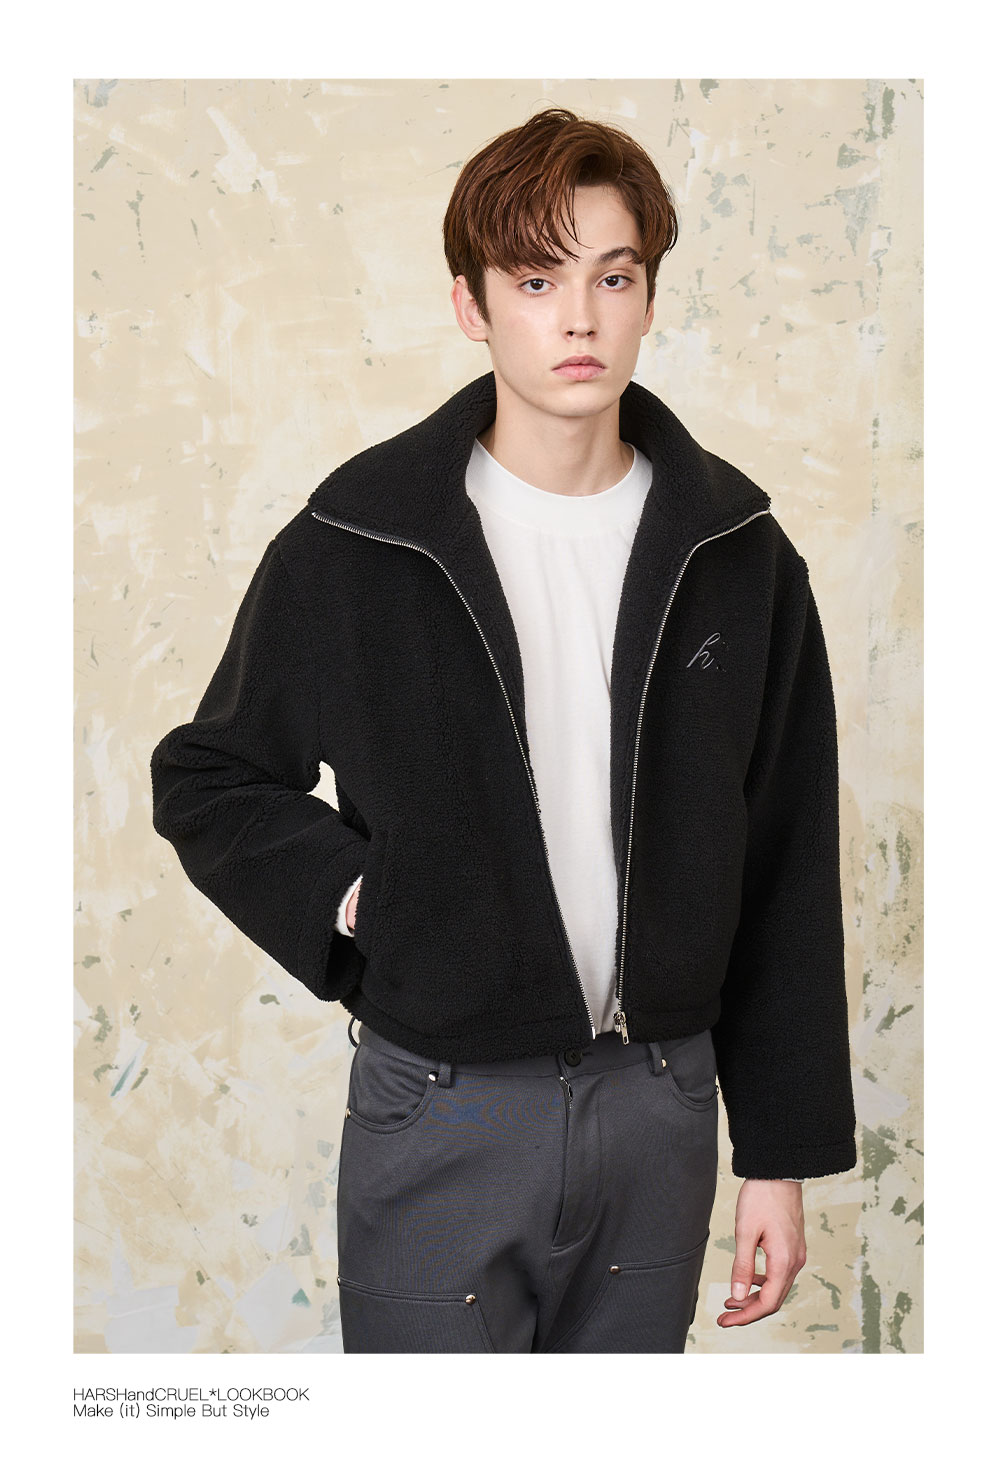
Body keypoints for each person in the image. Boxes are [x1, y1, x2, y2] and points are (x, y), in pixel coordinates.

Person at [150, 106, 857, 1353]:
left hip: (660, 1107)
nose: (578, 318)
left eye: (612, 277)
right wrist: (367, 897)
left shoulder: (737, 551)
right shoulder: (361, 538)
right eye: (536, 280)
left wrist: (779, 1154)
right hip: (443, 1104)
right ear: (471, 306)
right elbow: (207, 775)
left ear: (647, 298)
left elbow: (787, 858)